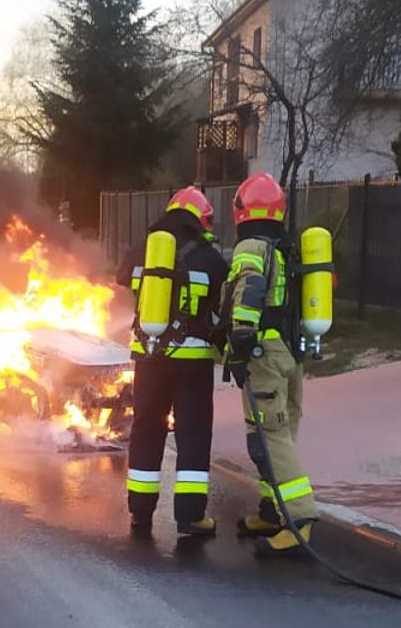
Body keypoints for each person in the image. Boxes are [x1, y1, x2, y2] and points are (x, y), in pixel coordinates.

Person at [116, 186, 228, 536]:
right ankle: (190, 516)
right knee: (192, 433)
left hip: (150, 357)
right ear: (200, 219)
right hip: (193, 360)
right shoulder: (210, 256)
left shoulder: (143, 249)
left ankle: (140, 511)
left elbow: (123, 277)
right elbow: (219, 298)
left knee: (147, 428)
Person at [222, 172, 319, 555]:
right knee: (281, 433)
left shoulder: (250, 246)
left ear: (242, 210)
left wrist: (241, 334)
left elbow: (250, 285)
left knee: (269, 437)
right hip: (290, 353)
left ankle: (299, 519)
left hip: (264, 352)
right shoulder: (286, 246)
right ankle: (272, 509)